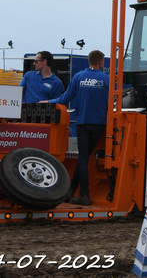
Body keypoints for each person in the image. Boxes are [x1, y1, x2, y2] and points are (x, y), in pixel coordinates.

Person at [44, 50, 109, 206]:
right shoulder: (106, 79)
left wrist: (48, 102)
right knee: (84, 158)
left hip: (82, 122)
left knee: (83, 158)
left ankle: (77, 192)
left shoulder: (78, 77)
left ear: (89, 61)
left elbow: (64, 99)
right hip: (99, 124)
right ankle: (76, 192)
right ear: (100, 62)